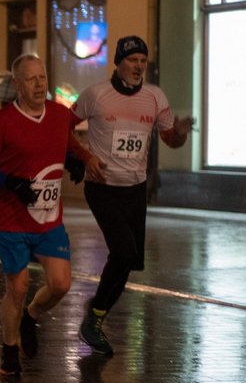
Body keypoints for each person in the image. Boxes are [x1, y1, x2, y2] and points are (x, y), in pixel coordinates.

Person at [72, 36, 194, 357]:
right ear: (118, 62)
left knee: (128, 263)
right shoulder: (96, 95)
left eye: (143, 60)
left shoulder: (154, 97)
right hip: (102, 187)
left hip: (135, 190)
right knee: (123, 252)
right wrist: (84, 158)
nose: (139, 66)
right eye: (132, 60)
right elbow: (62, 127)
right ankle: (94, 321)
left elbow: (170, 140)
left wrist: (179, 133)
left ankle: (96, 315)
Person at [0, 54, 95, 375]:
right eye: (31, 79)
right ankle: (9, 348)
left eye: (42, 77)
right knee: (18, 286)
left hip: (48, 220)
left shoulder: (59, 115)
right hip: (11, 219)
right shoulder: (0, 123)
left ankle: (32, 315)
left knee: (61, 284)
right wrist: (11, 182)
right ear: (17, 84)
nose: (39, 84)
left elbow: (65, 143)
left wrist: (75, 162)